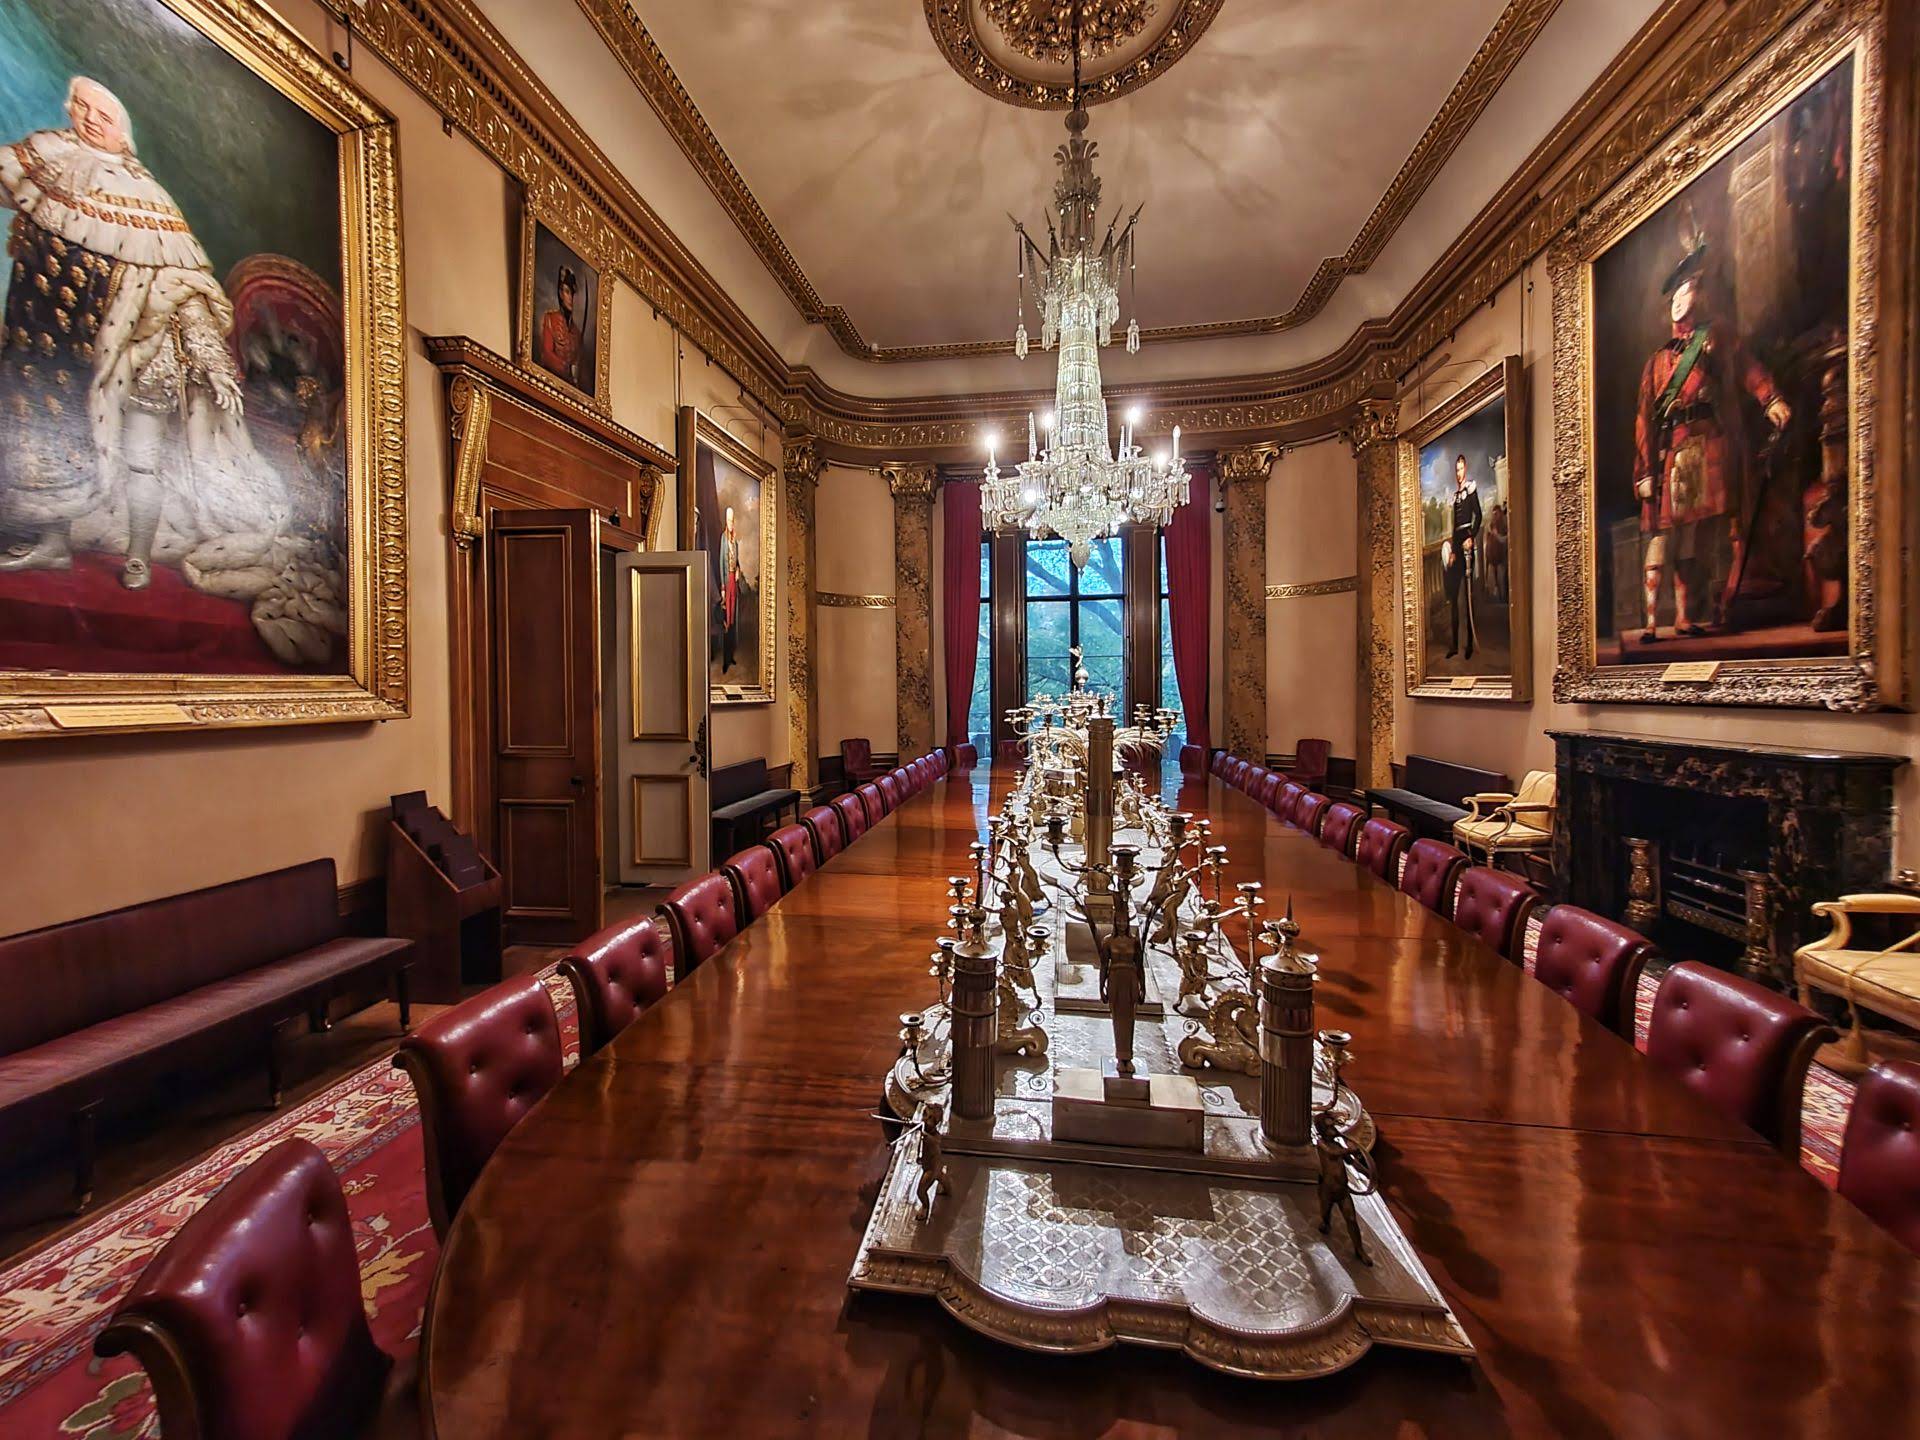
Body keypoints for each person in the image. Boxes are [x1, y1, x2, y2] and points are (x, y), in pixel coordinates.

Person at [0, 77, 276, 592]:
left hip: (140, 354)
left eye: (103, 116)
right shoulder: (49, 154)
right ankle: (52, 544)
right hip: (51, 342)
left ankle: (138, 557)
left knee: (142, 463)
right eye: (82, 109)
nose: (89, 120)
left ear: (122, 131)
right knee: (52, 437)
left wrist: (214, 365)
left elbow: (188, 292)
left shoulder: (146, 196)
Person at [1632, 228, 1790, 642]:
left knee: (1705, 538)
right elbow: (1645, 420)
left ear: (1698, 294)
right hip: (1672, 454)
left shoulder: (1717, 335)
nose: (1681, 298)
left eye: (1688, 289)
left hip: (1710, 447)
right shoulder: (1656, 363)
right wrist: (1644, 471)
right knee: (1668, 538)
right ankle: (1658, 620)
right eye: (1676, 292)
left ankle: (1699, 613)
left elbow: (1747, 367)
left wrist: (1770, 398)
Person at [1440, 453, 1480, 660]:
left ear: (1466, 469)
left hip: (1468, 543)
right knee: (1454, 597)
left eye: (1461, 469)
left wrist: (1471, 537)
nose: (1459, 473)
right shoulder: (1455, 496)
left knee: (1468, 597)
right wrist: (1454, 552)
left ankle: (1469, 645)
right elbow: (1455, 527)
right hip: (1457, 545)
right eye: (1456, 469)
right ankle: (1454, 645)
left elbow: (1478, 515)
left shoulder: (1471, 489)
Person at [536, 264, 583, 386]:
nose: (570, 298)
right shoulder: (550, 319)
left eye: (572, 293)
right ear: (561, 293)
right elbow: (546, 355)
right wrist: (566, 367)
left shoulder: (577, 333)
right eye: (567, 292)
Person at [718, 505, 740, 670]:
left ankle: (731, 656)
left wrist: (738, 570)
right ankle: (725, 659)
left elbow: (736, 561)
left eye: (732, 521)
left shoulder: (735, 541)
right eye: (728, 521)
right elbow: (721, 564)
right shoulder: (723, 539)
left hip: (735, 580)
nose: (730, 524)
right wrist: (723, 588)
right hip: (727, 581)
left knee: (733, 619)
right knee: (726, 618)